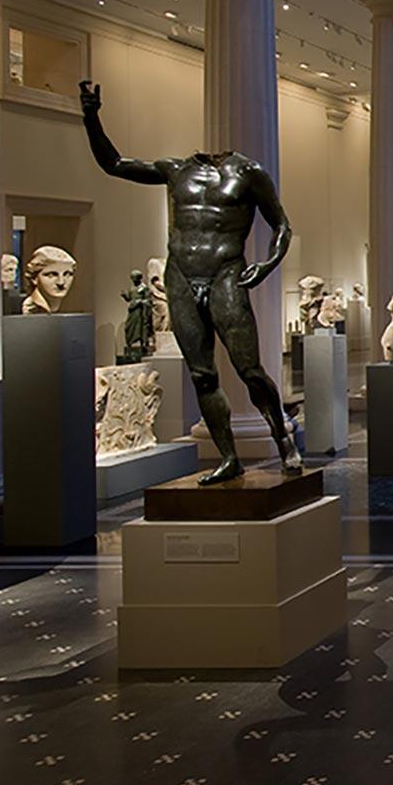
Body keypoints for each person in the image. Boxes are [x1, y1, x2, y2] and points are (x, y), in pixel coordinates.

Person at [80, 80, 300, 484]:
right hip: (181, 274)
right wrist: (91, 118)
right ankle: (229, 456)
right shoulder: (175, 170)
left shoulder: (249, 173)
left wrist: (268, 265)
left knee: (249, 369)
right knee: (202, 375)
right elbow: (114, 164)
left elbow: (282, 225)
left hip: (226, 273)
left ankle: (283, 440)